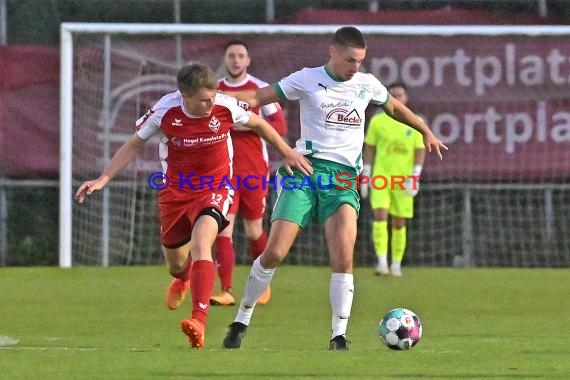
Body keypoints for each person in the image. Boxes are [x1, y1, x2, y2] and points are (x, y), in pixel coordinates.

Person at [221, 26, 447, 351]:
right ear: (333, 52)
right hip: (305, 170)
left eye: (360, 61)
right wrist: (215, 97)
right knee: (274, 253)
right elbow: (258, 97)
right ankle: (242, 319)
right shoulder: (307, 78)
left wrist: (424, 129)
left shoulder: (366, 84)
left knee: (343, 258)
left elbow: (393, 108)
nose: (356, 67)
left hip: (342, 179)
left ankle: (338, 336)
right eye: (350, 60)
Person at [74, 63, 311, 349]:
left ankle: (198, 320)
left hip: (216, 188)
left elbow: (259, 123)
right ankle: (183, 278)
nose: (211, 103)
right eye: (204, 99)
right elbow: (134, 144)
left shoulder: (224, 105)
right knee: (175, 265)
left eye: (213, 96)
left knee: (202, 243)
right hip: (175, 193)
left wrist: (286, 152)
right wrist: (103, 178)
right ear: (184, 96)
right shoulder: (165, 111)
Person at [210, 40, 288, 307]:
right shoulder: (215, 89)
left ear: (248, 60)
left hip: (254, 171)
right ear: (225, 59)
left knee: (255, 230)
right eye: (231, 55)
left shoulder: (260, 89)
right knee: (223, 229)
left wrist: (245, 125)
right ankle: (227, 289)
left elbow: (280, 125)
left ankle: (262, 284)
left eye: (240, 56)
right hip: (222, 171)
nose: (235, 60)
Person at [360, 83, 425, 277]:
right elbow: (370, 147)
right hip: (381, 178)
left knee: (399, 223)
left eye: (400, 95)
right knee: (379, 217)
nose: (397, 98)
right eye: (393, 95)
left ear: (406, 97)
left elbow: (420, 150)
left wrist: (415, 175)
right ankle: (382, 262)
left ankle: (396, 264)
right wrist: (367, 173)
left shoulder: (415, 120)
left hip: (403, 180)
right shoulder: (378, 121)